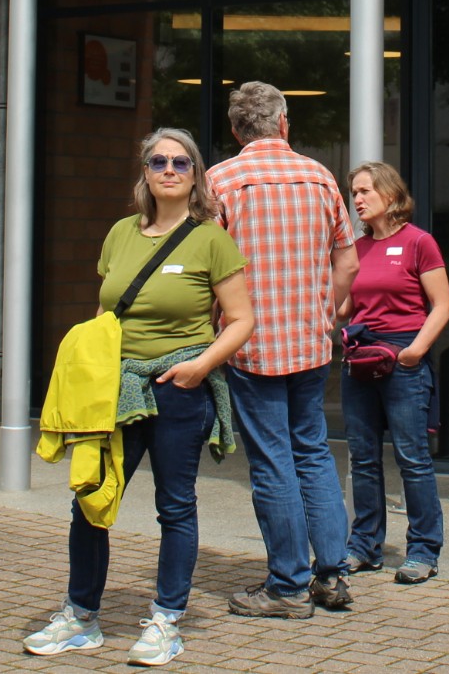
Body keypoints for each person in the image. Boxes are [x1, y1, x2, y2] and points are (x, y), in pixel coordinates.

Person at [25, 128, 252, 666]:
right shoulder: (120, 233)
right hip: (117, 388)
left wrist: (199, 367)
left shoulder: (211, 239)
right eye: (158, 162)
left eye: (180, 162)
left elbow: (242, 320)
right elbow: (108, 311)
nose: (169, 170)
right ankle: (81, 617)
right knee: (91, 500)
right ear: (145, 173)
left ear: (195, 175)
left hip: (178, 390)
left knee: (175, 506)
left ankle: (166, 620)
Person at [208, 81, 360, 618]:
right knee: (313, 452)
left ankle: (288, 586)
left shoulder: (221, 181)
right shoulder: (320, 177)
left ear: (236, 131)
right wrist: (324, 313)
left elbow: (207, 270)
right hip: (310, 343)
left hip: (250, 345)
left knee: (273, 461)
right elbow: (348, 262)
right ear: (284, 123)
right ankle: (332, 574)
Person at [339, 160, 449, 584]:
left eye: (365, 191)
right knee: (363, 457)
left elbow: (442, 305)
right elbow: (344, 309)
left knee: (412, 458)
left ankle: (423, 549)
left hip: (403, 356)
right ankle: (364, 546)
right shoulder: (357, 248)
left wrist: (415, 352)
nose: (357, 199)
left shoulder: (419, 242)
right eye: (354, 193)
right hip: (362, 358)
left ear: (389, 194)